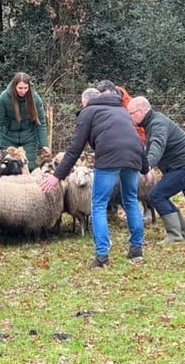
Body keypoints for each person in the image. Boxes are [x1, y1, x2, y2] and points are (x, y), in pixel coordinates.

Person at [41, 87, 147, 268]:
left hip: (109, 158)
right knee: (130, 199)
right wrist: (145, 167)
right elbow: (135, 139)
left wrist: (57, 176)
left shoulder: (88, 111)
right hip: (133, 156)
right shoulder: (122, 110)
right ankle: (136, 249)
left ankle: (102, 255)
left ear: (85, 101)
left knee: (98, 204)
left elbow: (75, 148)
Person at [127, 96, 185, 243]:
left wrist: (147, 166)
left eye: (131, 113)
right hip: (182, 166)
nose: (130, 117)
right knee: (160, 194)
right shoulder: (152, 122)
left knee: (156, 195)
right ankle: (182, 231)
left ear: (142, 111)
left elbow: (157, 145)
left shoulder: (157, 123)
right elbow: (150, 148)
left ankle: (174, 235)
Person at [0, 72, 51, 167]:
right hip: (8, 138)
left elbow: (40, 124)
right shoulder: (4, 98)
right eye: (20, 88)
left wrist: (44, 145)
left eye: (25, 88)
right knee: (9, 169)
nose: (23, 91)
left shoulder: (35, 99)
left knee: (28, 167)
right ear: (14, 86)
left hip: (29, 139)